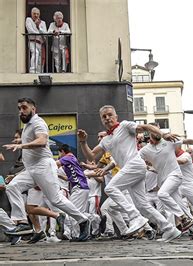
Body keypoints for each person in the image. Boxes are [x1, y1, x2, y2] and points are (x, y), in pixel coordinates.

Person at [78, 105, 182, 242]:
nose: (107, 118)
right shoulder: (105, 140)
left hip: (135, 164)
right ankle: (169, 229)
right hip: (131, 169)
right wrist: (83, 142)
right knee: (142, 205)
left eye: (110, 115)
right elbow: (91, 156)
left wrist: (162, 135)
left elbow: (146, 127)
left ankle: (134, 217)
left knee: (110, 188)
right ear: (101, 121)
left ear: (116, 116)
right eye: (104, 117)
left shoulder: (125, 126)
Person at [3, 98, 90, 241]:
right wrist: (21, 141)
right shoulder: (28, 126)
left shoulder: (37, 122)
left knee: (56, 199)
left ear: (33, 109)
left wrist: (21, 146)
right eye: (19, 108)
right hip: (31, 169)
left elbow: (42, 141)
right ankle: (23, 222)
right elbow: (34, 140)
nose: (21, 111)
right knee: (12, 187)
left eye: (24, 108)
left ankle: (83, 220)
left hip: (43, 166)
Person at [25, 7, 47, 73]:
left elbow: (45, 34)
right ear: (31, 14)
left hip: (40, 43)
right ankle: (32, 70)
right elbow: (30, 31)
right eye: (34, 14)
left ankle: (39, 72)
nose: (36, 15)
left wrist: (38, 27)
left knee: (40, 59)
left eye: (37, 14)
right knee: (35, 53)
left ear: (39, 14)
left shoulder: (43, 23)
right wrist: (40, 33)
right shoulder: (29, 20)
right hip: (32, 41)